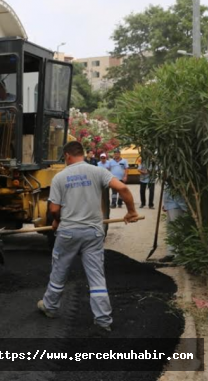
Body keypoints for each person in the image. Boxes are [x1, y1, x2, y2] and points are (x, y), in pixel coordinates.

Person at [37, 141, 139, 332]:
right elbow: (123, 189)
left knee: (59, 270)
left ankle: (50, 307)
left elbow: (53, 209)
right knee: (96, 276)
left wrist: (56, 221)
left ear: (67, 156)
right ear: (82, 154)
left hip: (68, 232)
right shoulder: (98, 172)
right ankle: (103, 319)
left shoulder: (60, 177)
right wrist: (131, 211)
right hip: (93, 232)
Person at [161, 184, 188, 262]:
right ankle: (170, 253)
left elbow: (178, 192)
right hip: (170, 205)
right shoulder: (167, 174)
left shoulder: (174, 174)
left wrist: (184, 207)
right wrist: (165, 204)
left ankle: (179, 255)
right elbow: (167, 191)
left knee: (178, 230)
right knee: (170, 230)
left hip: (176, 206)